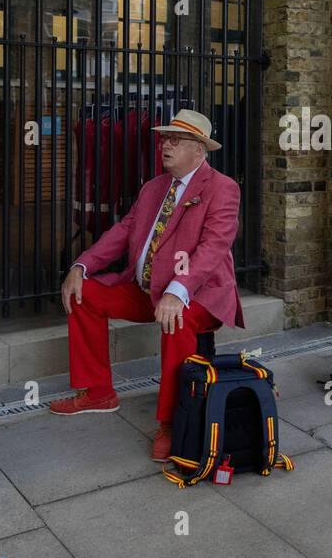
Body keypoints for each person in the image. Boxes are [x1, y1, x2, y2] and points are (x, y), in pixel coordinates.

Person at [52, 109, 243, 464]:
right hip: (147, 289)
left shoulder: (222, 188)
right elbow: (122, 231)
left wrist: (178, 290)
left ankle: (172, 421)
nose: (164, 145)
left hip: (198, 293)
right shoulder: (154, 187)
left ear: (199, 150)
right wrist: (82, 264)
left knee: (177, 319)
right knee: (84, 294)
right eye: (163, 138)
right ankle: (98, 393)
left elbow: (213, 248)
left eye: (175, 139)